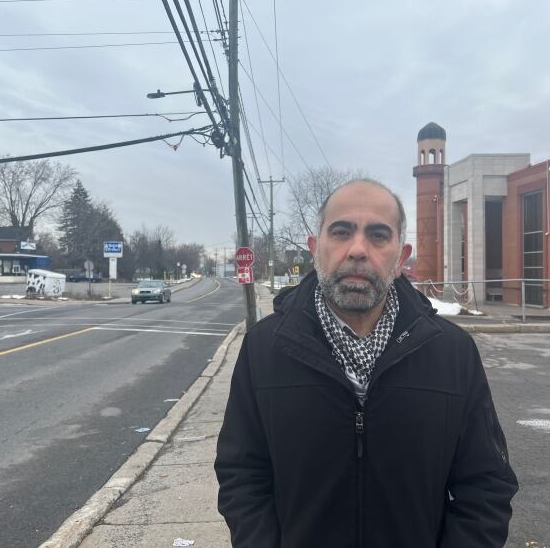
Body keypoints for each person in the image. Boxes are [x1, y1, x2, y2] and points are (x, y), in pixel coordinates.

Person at [215, 179, 517, 548]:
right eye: (341, 232)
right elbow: (242, 475)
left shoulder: (453, 353)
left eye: (377, 235)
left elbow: (486, 485)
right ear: (315, 247)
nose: (358, 249)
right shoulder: (265, 349)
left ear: (402, 256)